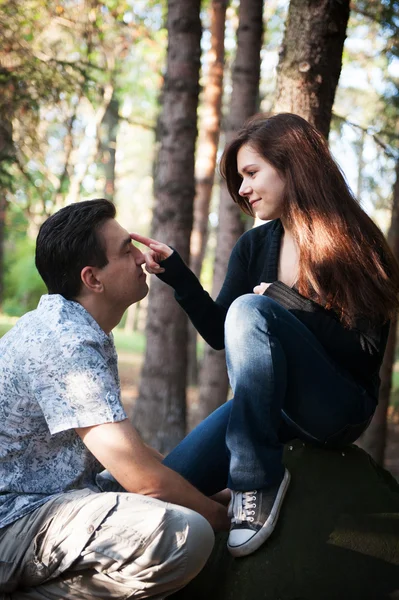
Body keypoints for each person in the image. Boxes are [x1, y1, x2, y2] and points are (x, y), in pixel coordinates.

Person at [132, 112, 399, 559]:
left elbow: (365, 353)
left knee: (253, 306)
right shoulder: (255, 246)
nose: (242, 189)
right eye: (240, 178)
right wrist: (179, 276)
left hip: (339, 407)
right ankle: (231, 490)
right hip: (270, 408)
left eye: (252, 173)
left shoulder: (357, 241)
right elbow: (224, 333)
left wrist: (283, 302)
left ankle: (256, 481)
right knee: (169, 486)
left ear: (292, 166)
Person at [0, 199, 229, 600]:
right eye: (126, 250)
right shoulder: (64, 342)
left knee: (189, 481)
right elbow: (145, 482)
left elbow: (132, 455)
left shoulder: (80, 327)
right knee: (185, 536)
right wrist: (220, 518)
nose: (141, 258)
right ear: (93, 278)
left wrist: (206, 493)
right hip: (12, 522)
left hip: (56, 498)